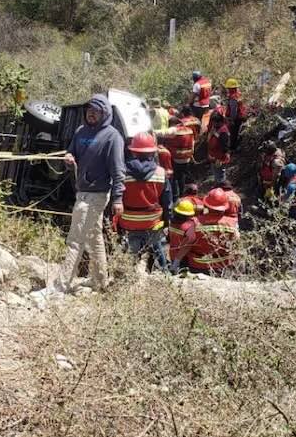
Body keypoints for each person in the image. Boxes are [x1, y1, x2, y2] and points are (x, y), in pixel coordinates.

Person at [56, 94, 125, 292]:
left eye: (96, 111)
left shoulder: (112, 137)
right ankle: (100, 280)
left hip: (96, 194)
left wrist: (118, 198)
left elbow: (118, 171)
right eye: (89, 110)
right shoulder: (81, 131)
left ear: (105, 113)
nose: (91, 114)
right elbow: (72, 152)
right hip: (82, 191)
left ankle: (61, 285)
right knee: (94, 236)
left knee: (75, 239)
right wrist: (69, 158)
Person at [119, 132, 172, 273]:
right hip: (152, 221)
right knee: (157, 247)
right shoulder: (161, 173)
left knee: (131, 252)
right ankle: (164, 273)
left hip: (128, 221)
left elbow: (116, 198)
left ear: (133, 152)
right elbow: (167, 202)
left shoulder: (122, 172)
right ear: (152, 152)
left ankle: (128, 275)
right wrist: (166, 222)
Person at [170, 188, 240, 274]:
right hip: (222, 267)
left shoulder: (195, 222)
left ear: (207, 205)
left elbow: (188, 243)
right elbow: (237, 245)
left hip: (198, 266)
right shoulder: (233, 223)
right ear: (225, 206)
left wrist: (176, 263)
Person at [159, 114, 195, 192]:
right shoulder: (189, 130)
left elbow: (161, 133)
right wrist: (191, 154)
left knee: (175, 177)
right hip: (186, 157)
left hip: (176, 158)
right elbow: (192, 143)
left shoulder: (173, 130)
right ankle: (182, 192)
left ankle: (176, 194)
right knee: (182, 176)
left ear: (172, 124)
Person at [168, 199, 199, 272]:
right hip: (183, 258)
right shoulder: (189, 226)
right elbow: (187, 245)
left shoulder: (172, 223)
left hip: (172, 254)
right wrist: (176, 262)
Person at [220, 78, 247, 151]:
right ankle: (235, 146)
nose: (227, 89)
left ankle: (232, 148)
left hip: (236, 118)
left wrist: (231, 120)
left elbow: (233, 111)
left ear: (231, 88)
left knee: (233, 133)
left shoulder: (233, 97)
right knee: (236, 132)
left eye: (228, 88)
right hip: (241, 116)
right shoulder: (239, 94)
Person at [206, 111, 231, 183]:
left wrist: (220, 159)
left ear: (220, 122)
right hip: (214, 156)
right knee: (216, 173)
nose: (213, 124)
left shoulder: (223, 132)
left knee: (220, 174)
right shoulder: (216, 129)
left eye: (214, 122)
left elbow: (225, 146)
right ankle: (218, 185)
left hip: (219, 157)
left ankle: (221, 186)